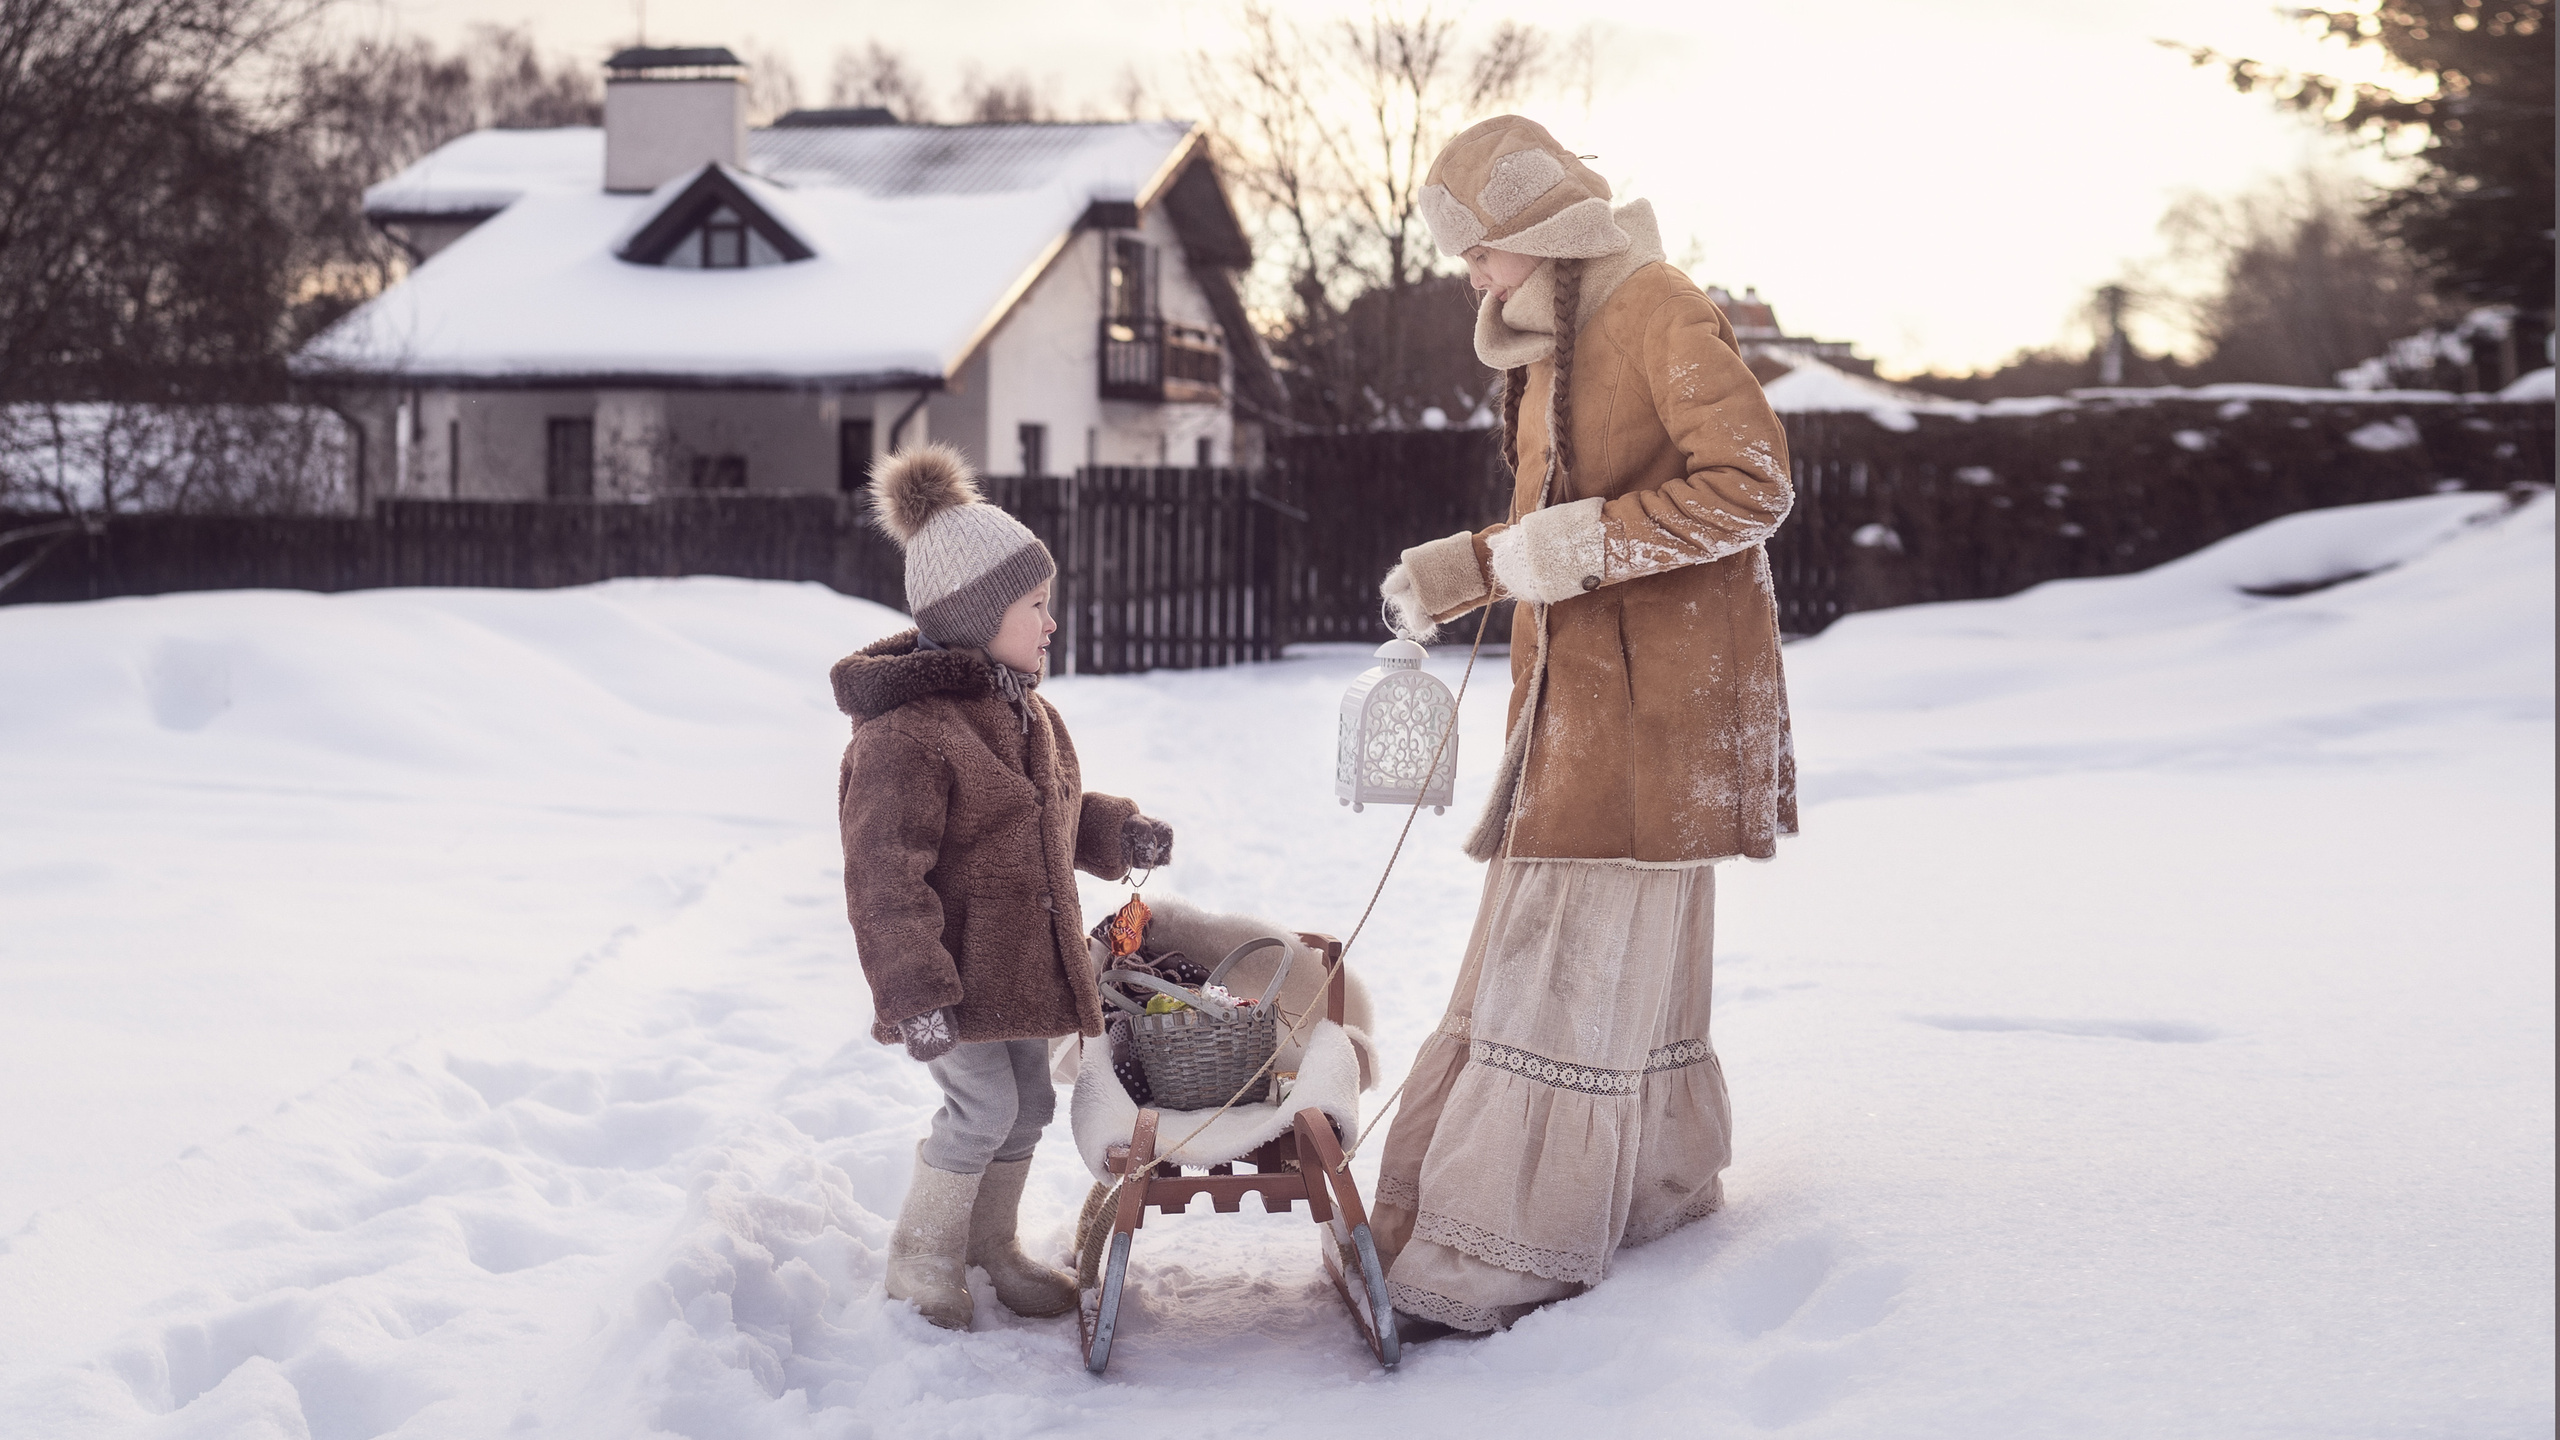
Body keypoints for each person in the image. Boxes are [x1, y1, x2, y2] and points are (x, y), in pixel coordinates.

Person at [1372, 115, 1798, 1336]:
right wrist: (1463, 568)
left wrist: (1570, 545)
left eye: (1481, 255)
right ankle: (1649, 1187)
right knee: (1598, 951)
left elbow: (1753, 484)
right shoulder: (1551, 344)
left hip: (1662, 703)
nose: (1472, 279)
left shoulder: (1655, 305)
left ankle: (1503, 1246)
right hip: (1584, 696)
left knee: (1561, 960)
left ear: (1536, 233)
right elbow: (1558, 531)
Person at [831, 443, 1176, 1331]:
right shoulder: (906, 735)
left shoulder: (1027, 710)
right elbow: (882, 874)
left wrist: (1115, 831)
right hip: (949, 976)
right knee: (980, 1107)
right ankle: (922, 1255)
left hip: (1017, 968)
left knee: (1026, 1106)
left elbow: (1048, 812)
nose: (1051, 623)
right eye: (1034, 606)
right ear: (976, 614)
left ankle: (991, 1247)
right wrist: (913, 993)